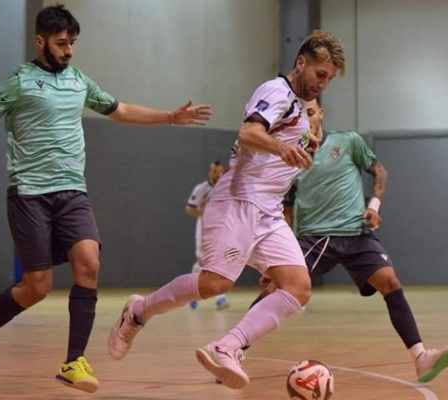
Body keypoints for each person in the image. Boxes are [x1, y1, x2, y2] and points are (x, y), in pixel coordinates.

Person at [0, 5, 211, 394]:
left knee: (89, 263)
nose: (69, 50)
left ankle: (74, 361)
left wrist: (171, 117)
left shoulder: (79, 81)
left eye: (72, 42)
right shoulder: (20, 81)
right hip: (30, 193)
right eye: (61, 43)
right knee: (37, 286)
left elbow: (120, 110)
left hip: (72, 191)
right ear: (40, 42)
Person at [108, 29, 345, 389]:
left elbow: (283, 146)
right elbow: (248, 134)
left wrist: (301, 141)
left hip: (267, 212)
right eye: (320, 74)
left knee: (297, 287)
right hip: (238, 201)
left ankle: (227, 346)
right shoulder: (276, 91)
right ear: (301, 62)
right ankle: (138, 312)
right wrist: (283, 149)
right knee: (215, 284)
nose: (323, 84)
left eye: (329, 79)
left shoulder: (298, 108)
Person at [252, 99, 448, 383]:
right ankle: (232, 349)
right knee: (276, 288)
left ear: (321, 113)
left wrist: (373, 206)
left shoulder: (348, 141)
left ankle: (421, 357)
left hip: (357, 234)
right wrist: (276, 257)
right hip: (316, 236)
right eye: (301, 114)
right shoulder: (290, 157)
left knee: (390, 283)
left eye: (310, 112)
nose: (307, 119)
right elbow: (284, 211)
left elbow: (379, 171)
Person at [185, 161, 229, 310]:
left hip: (223, 227)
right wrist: (206, 213)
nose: (218, 174)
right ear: (210, 173)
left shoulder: (228, 188)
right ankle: (192, 293)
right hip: (205, 227)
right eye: (215, 171)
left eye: (221, 171)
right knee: (202, 261)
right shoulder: (201, 189)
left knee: (222, 261)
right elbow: (189, 208)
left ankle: (220, 298)